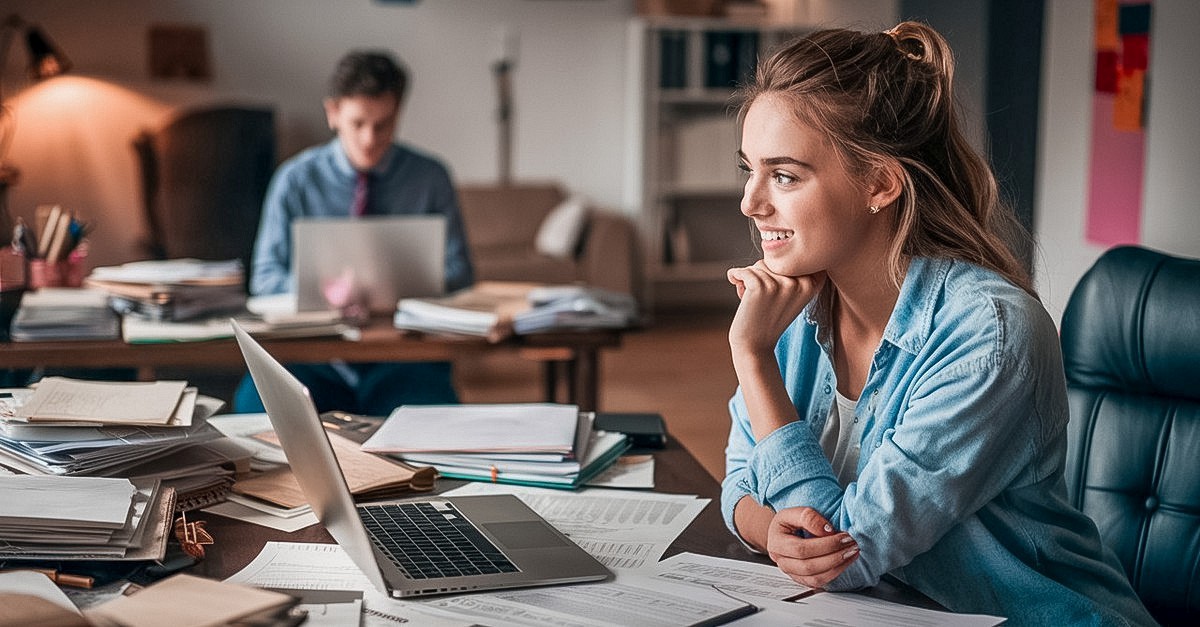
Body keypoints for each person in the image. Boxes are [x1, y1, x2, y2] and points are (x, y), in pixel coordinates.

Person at [722, 22, 1155, 625]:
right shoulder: (793, 305)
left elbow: (845, 552)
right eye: (750, 169)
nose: (750, 202)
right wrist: (776, 533)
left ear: (879, 183)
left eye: (785, 175)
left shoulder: (991, 335)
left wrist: (753, 358)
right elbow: (738, 486)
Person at [234, 50, 474, 416]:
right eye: (358, 123)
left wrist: (392, 288)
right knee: (254, 412)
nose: (370, 138)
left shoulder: (431, 178)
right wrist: (322, 292)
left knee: (443, 424)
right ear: (333, 113)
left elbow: (461, 274)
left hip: (405, 358)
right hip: (311, 358)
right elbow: (265, 279)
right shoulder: (295, 180)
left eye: (384, 124)